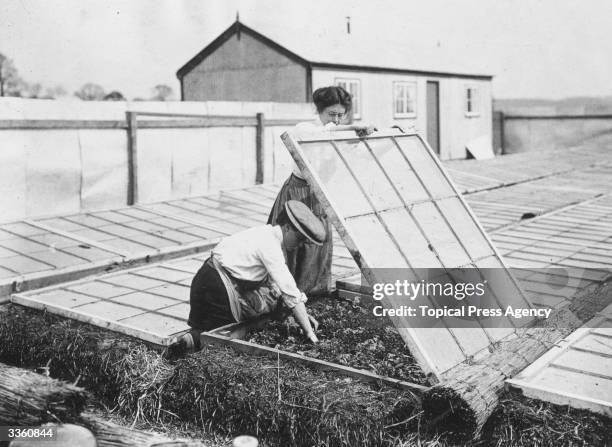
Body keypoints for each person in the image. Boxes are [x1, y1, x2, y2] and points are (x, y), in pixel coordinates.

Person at [169, 200, 326, 356]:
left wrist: (302, 316)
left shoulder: (264, 232)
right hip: (217, 285)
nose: (299, 245)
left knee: (207, 329)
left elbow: (276, 286)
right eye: (299, 239)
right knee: (223, 336)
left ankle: (185, 343)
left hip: (205, 276)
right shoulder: (270, 246)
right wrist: (310, 334)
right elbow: (289, 291)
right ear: (287, 228)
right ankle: (188, 350)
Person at [267, 85, 376, 295]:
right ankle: (287, 299)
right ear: (319, 111)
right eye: (331, 114)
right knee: (292, 248)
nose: (335, 120)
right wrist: (351, 128)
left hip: (319, 199)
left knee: (317, 249)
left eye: (341, 115)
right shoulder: (305, 129)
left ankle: (312, 299)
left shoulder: (339, 135)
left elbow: (361, 155)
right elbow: (323, 133)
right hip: (298, 196)